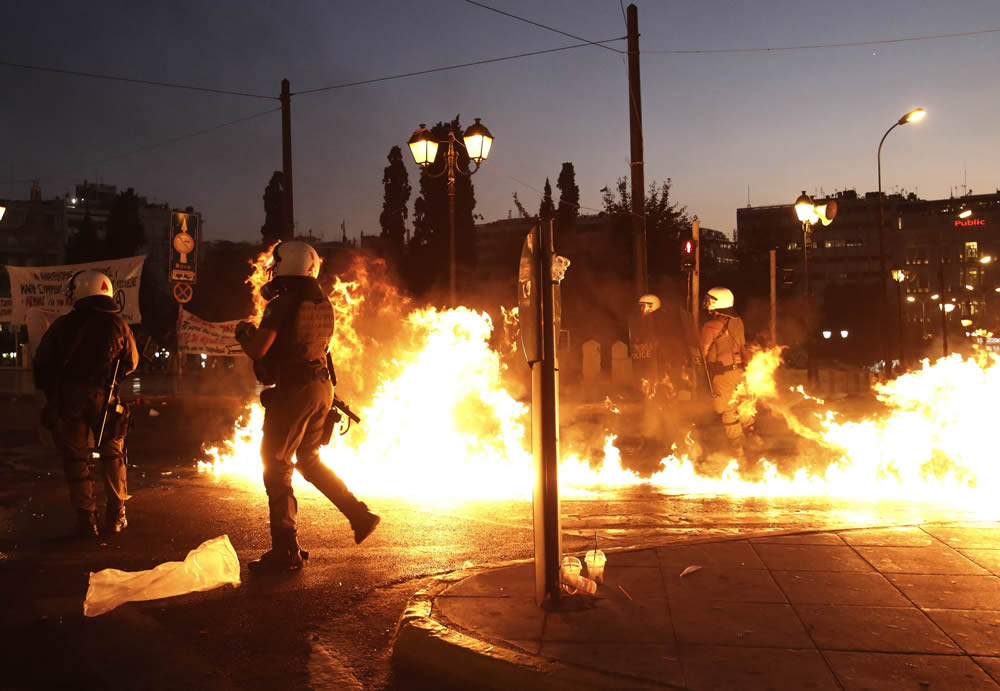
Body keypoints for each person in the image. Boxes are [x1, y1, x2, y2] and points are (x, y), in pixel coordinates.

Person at [235, 240, 380, 573]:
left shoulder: (283, 303)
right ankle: (359, 515)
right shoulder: (322, 301)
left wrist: (244, 333)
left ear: (287, 266)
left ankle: (286, 550)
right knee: (310, 461)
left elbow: (259, 350)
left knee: (276, 463)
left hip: (295, 390)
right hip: (321, 388)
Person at [34, 270, 138, 537]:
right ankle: (116, 516)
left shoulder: (61, 326)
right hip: (106, 398)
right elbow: (131, 362)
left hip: (69, 400)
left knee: (76, 460)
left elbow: (43, 364)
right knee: (114, 455)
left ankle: (86, 520)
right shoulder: (119, 325)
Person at [699, 286, 759, 460]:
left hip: (723, 375)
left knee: (728, 411)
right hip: (741, 372)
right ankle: (755, 445)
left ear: (719, 303)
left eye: (710, 301)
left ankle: (739, 453)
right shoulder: (737, 321)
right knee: (744, 409)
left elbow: (702, 352)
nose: (708, 305)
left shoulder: (710, 326)